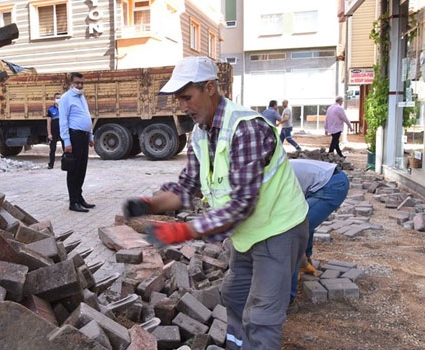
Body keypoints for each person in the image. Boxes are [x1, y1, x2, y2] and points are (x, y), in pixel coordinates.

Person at [122, 56, 309, 349]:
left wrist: (184, 231)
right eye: (178, 99)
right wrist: (150, 205)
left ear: (209, 88)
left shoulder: (246, 129)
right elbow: (187, 188)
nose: (182, 106)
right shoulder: (200, 134)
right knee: (234, 295)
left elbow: (241, 205)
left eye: (187, 97)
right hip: (248, 234)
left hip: (279, 229)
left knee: (261, 316)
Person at [289, 159, 349, 305]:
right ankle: (304, 261)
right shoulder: (272, 170)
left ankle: (287, 299)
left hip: (331, 185)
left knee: (292, 232)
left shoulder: (271, 178)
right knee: (302, 223)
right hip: (329, 180)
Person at [59, 72, 95, 213]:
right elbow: (63, 121)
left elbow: (86, 115)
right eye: (77, 83)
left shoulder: (81, 96)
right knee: (73, 170)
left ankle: (79, 198)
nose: (80, 85)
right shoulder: (66, 98)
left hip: (84, 136)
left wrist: (90, 136)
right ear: (70, 83)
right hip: (74, 137)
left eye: (81, 83)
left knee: (82, 169)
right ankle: (73, 202)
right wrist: (67, 141)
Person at [46, 92, 63, 169]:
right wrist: (49, 134)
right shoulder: (50, 109)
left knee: (65, 149)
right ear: (54, 99)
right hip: (54, 132)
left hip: (63, 131)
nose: (58, 99)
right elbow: (48, 123)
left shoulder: (64, 109)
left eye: (60, 98)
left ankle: (65, 164)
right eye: (57, 98)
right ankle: (51, 164)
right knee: (52, 149)